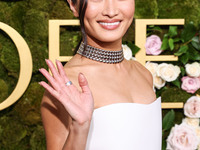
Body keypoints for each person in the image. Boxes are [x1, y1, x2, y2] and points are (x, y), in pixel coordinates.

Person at [39, 0, 162, 149]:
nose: (111, 11)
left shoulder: (143, 74)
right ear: (73, 5)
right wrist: (80, 127)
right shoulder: (66, 86)